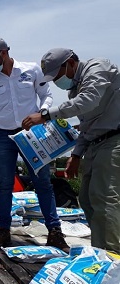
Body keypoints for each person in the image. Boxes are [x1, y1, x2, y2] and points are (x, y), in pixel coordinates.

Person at [0, 37, 69, 252]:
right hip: (3, 136)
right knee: (4, 185)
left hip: (31, 134)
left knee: (43, 183)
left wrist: (41, 113)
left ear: (3, 53)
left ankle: (55, 232)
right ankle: (3, 232)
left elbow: (46, 95)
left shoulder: (31, 70)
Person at [22, 48, 120, 253]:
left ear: (71, 63)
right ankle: (99, 252)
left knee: (105, 200)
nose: (57, 81)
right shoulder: (74, 90)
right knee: (86, 198)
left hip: (114, 141)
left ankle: (113, 258)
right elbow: (87, 126)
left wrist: (47, 115)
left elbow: (88, 101)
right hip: (95, 144)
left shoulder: (97, 67)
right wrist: (76, 155)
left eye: (58, 75)